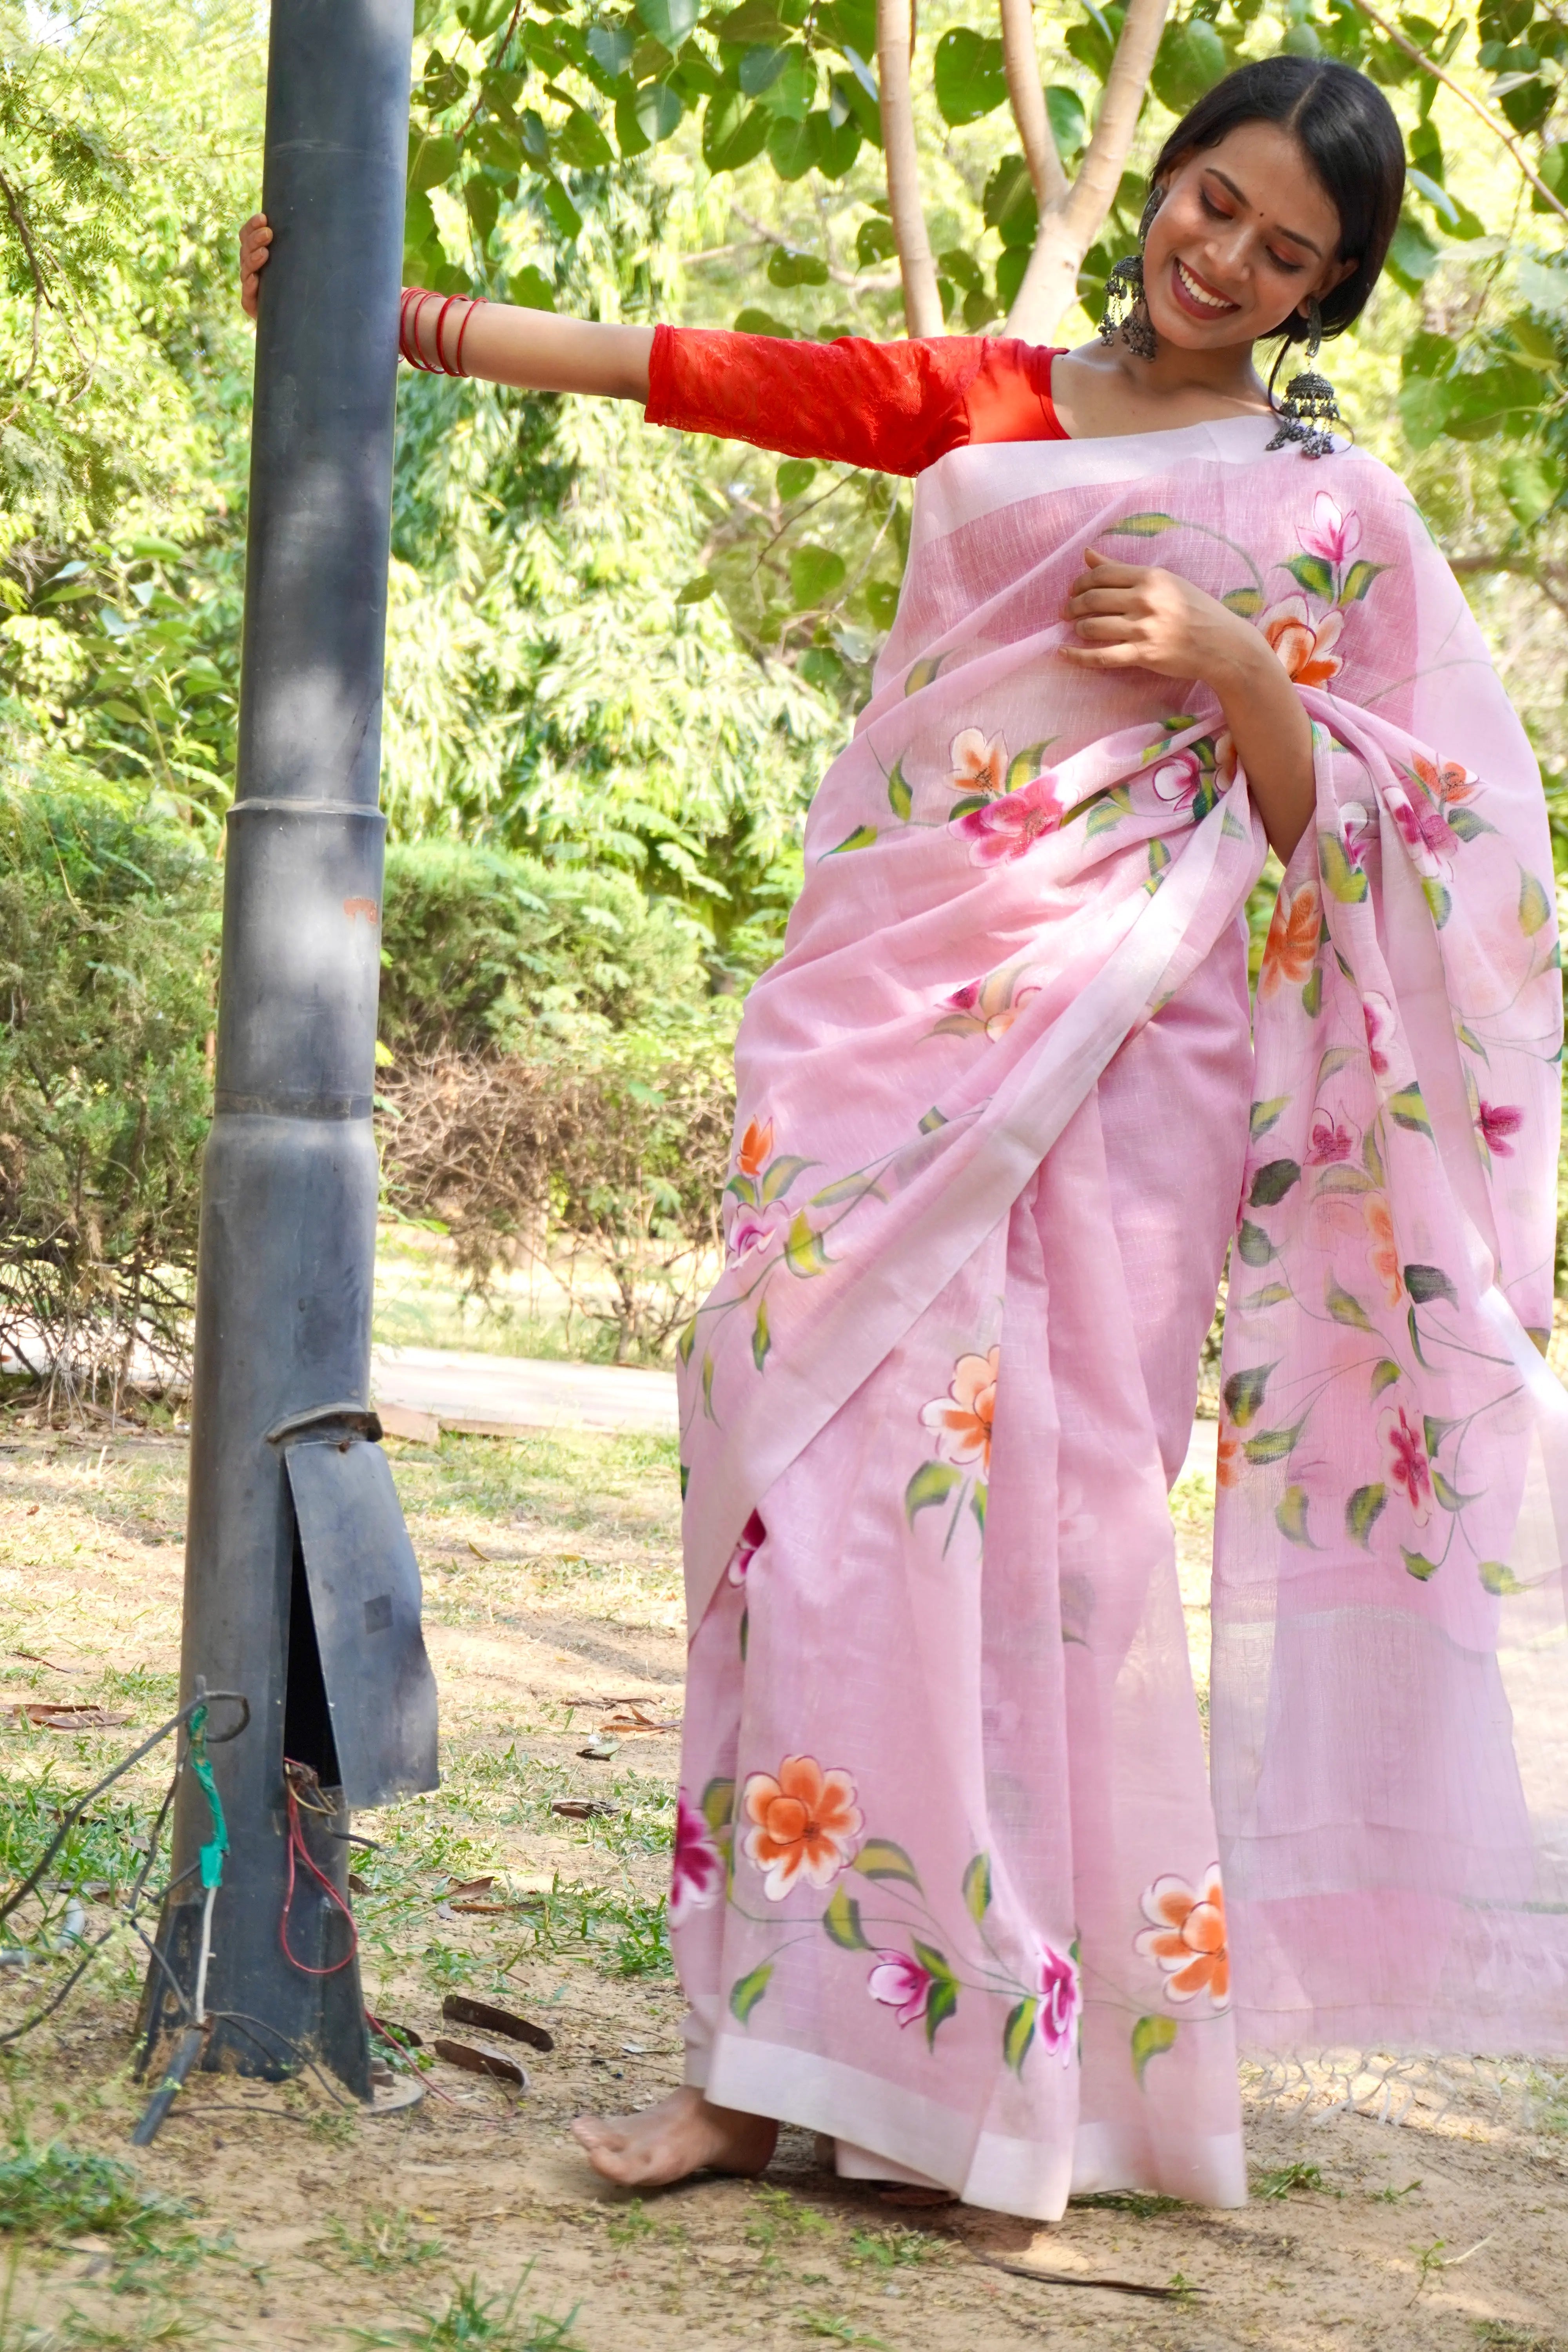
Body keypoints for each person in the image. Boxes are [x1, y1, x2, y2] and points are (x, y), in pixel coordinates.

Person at [243, 54, 1568, 2220]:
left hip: (1138, 1071)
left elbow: (1412, 851)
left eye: (1286, 254)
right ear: (1164, 178)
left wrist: (1244, 662)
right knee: (800, 1498)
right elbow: (708, 372)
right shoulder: (988, 397)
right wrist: (375, 308)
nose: (1222, 259)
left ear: (1327, 298)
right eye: (1212, 201)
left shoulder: (1334, 522)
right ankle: (756, 2068)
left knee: (1061, 1557)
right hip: (887, 1043)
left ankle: (1023, 2081)